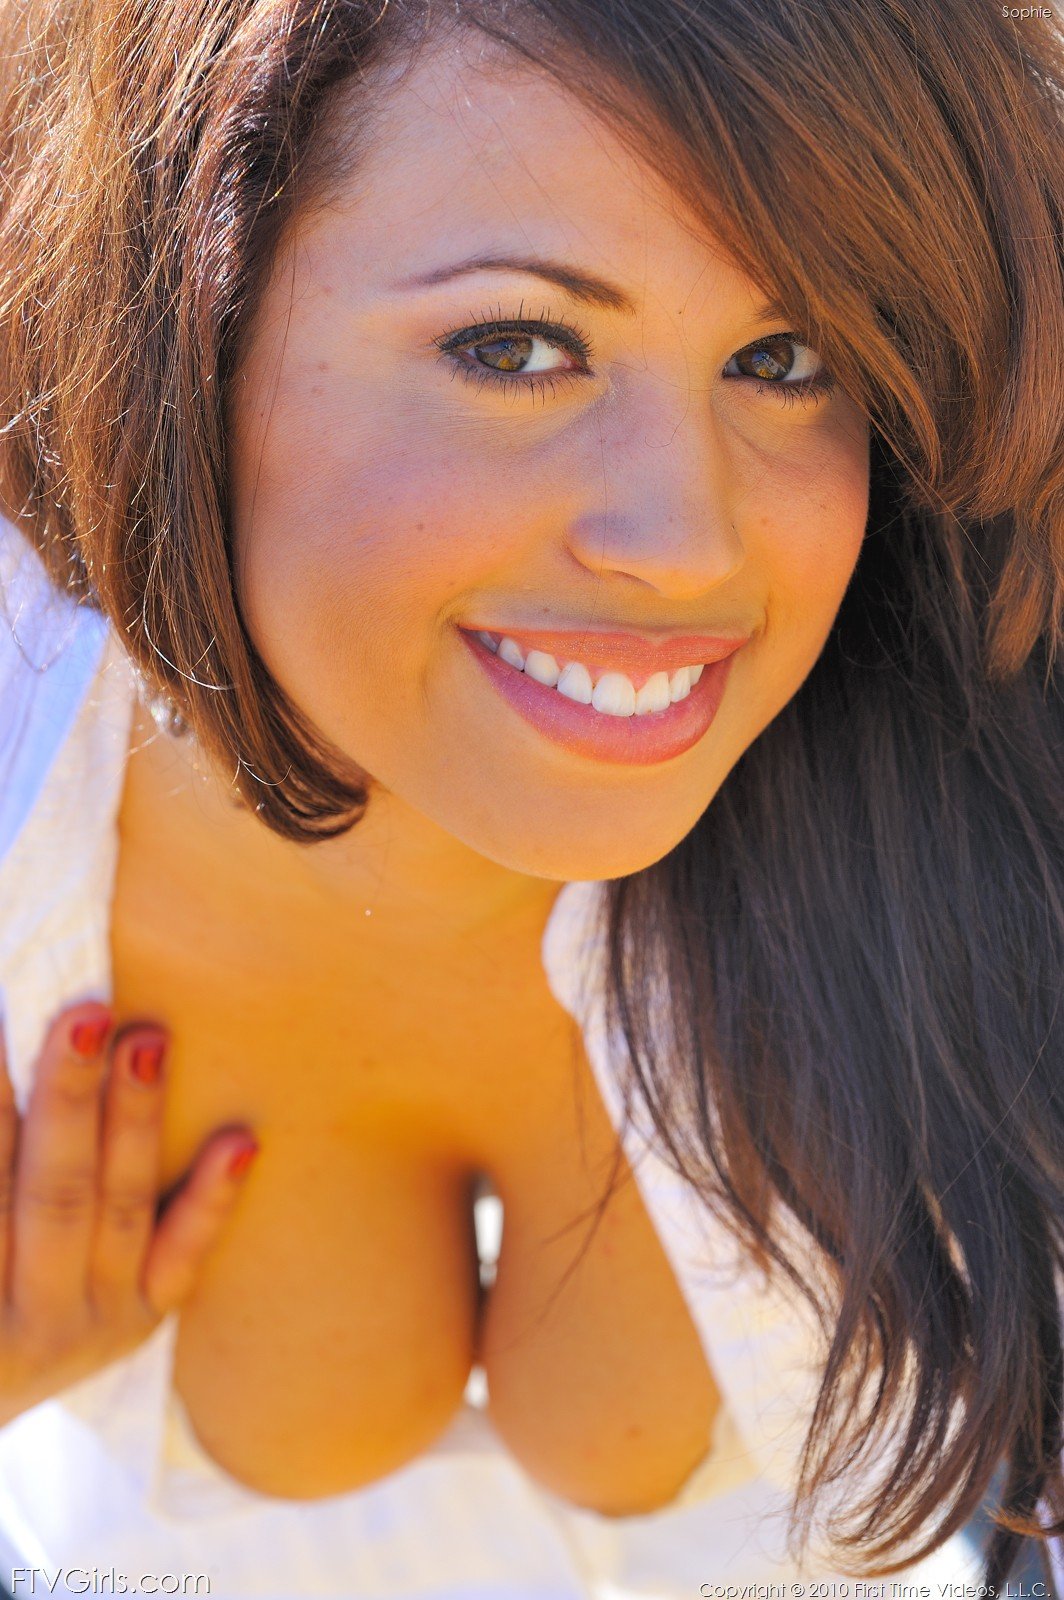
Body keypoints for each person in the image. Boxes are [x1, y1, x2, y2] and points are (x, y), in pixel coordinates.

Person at [0, 0, 1060, 1595]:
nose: (690, 541)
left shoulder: (996, 783)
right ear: (179, 308)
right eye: (514, 347)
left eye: (786, 361)